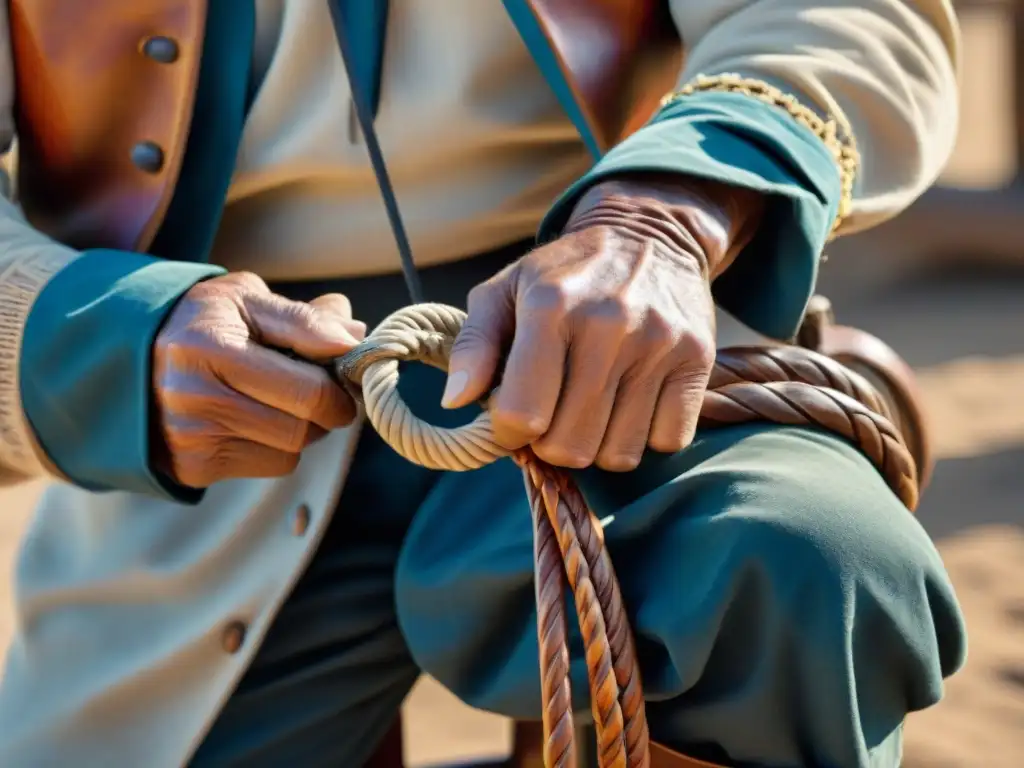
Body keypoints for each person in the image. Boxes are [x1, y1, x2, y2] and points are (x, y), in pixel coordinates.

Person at [0, 1, 966, 765]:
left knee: (804, 559)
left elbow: (844, 14)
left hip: (602, 346)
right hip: (194, 411)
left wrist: (663, 213)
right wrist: (103, 339)